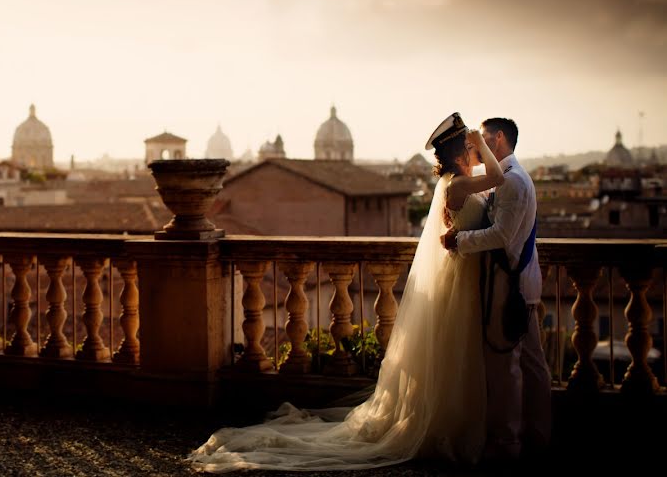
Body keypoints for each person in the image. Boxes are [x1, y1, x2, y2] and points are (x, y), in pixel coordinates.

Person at [188, 113, 504, 473]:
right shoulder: (457, 185)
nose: (473, 148)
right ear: (459, 150)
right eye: (468, 145)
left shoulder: (458, 181)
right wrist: (482, 143)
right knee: (456, 350)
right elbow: (497, 177)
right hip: (460, 278)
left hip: (462, 276)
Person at [441, 117, 551, 461]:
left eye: (482, 138)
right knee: (532, 364)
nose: (475, 145)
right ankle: (538, 434)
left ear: (498, 138)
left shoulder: (512, 180)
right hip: (517, 283)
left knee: (507, 367)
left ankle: (508, 443)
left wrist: (459, 239)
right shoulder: (506, 178)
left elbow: (502, 236)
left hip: (509, 285)